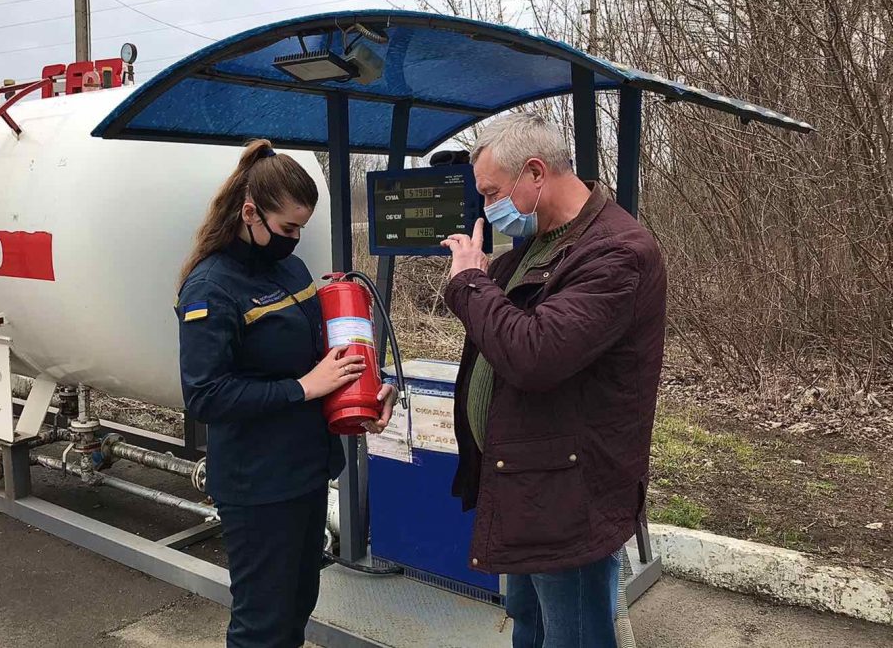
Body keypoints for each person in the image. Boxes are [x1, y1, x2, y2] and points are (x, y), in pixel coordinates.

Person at [440, 113, 667, 647]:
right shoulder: (529, 250)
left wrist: (471, 284)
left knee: (574, 634)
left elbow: (534, 354)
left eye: (492, 192)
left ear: (535, 173)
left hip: (569, 497)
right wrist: (482, 279)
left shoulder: (617, 253)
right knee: (529, 620)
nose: (488, 207)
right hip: (523, 483)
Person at [175, 139, 394, 648]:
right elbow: (205, 396)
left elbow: (323, 358)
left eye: (302, 227)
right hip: (257, 487)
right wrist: (303, 388)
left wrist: (362, 398)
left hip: (305, 472)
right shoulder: (210, 288)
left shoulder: (289, 271)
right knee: (262, 626)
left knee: (297, 606)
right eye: (288, 227)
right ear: (250, 212)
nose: (294, 239)